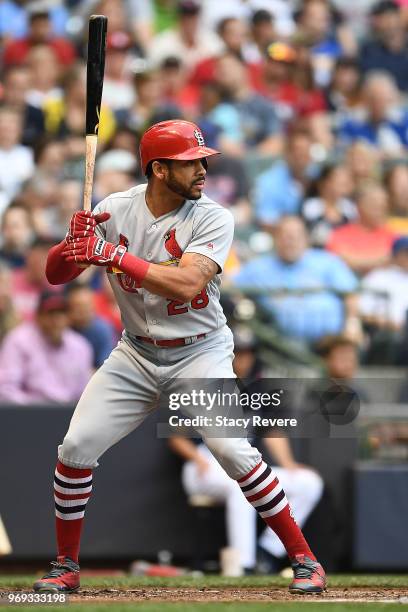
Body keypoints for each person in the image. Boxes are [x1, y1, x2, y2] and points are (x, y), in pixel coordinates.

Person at [33, 120, 325, 594]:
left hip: (200, 351)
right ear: (160, 169)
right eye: (191, 162)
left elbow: (188, 282)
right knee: (75, 449)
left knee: (233, 450)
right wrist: (73, 244)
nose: (203, 169)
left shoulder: (214, 217)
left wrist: (111, 255)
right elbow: (55, 275)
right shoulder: (114, 209)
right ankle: (65, 564)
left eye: (203, 160)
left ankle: (305, 559)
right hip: (136, 352)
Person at [170, 327, 323, 573]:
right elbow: (176, 437)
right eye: (237, 353)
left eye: (247, 353)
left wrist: (290, 464)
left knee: (309, 482)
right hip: (204, 464)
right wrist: (197, 459)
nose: (242, 359)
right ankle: (244, 564)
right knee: (240, 485)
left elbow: (272, 431)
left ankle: (267, 553)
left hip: (243, 461)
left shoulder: (258, 389)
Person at [233, 216, 358, 343]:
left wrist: (352, 322)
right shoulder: (258, 267)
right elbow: (230, 288)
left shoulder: (327, 261)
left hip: (330, 343)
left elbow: (350, 293)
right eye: (285, 236)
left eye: (296, 236)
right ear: (275, 239)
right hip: (279, 344)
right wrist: (242, 305)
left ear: (306, 239)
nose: (290, 241)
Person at [0, 291, 92, 404]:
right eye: (50, 313)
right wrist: (36, 409)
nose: (56, 318)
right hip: (30, 414)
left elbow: (84, 393)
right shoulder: (18, 341)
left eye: (62, 312)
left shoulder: (80, 346)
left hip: (70, 414)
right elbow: (6, 390)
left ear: (68, 317)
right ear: (38, 316)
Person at [65, 283, 116, 369]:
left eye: (87, 306)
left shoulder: (102, 329)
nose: (83, 311)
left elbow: (105, 366)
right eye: (78, 307)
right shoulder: (64, 329)